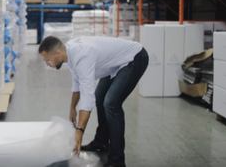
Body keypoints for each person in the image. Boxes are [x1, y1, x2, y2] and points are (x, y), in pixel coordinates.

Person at [38, 36, 149, 167]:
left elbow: (87, 96)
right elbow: (77, 81)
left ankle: (117, 161)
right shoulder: (69, 53)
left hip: (134, 58)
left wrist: (79, 131)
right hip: (116, 63)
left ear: (57, 53)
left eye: (47, 60)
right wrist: (72, 107)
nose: (47, 64)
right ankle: (101, 142)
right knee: (100, 96)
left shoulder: (82, 56)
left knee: (111, 104)